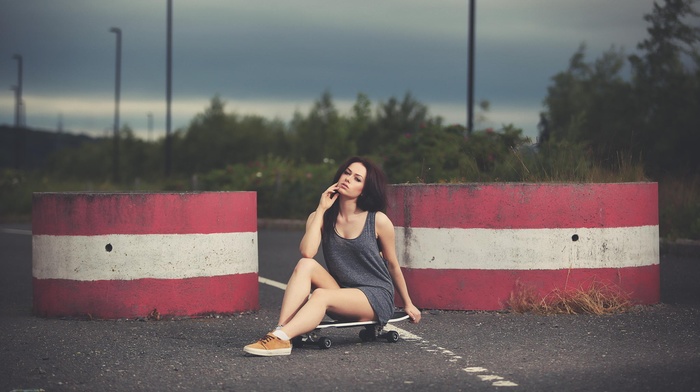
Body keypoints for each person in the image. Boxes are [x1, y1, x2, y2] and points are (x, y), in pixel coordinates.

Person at [244, 156, 421, 356]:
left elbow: (392, 264)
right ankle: (280, 333)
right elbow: (307, 252)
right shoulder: (320, 216)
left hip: (375, 296)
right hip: (341, 292)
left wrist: (407, 303)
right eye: (347, 173)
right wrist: (321, 209)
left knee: (320, 295)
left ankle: (281, 337)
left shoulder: (378, 220)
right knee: (305, 264)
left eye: (357, 178)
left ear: (365, 189)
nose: (348, 179)